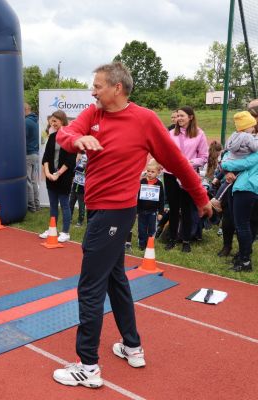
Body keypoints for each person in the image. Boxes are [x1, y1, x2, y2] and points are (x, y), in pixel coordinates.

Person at [52, 62, 211, 389]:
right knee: (115, 279)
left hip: (116, 213)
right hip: (99, 211)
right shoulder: (93, 115)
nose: (92, 91)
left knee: (90, 287)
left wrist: (200, 197)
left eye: (97, 86)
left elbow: (177, 162)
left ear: (117, 88)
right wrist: (77, 141)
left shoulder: (145, 120)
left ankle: (88, 366)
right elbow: (65, 133)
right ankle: (132, 345)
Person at [163, 106, 208, 252]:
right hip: (171, 174)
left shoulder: (199, 134)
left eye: (182, 116)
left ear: (191, 117)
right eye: (177, 116)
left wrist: (190, 162)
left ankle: (186, 240)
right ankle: (171, 239)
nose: (179, 118)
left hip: (189, 175)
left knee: (187, 208)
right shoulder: (170, 134)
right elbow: (165, 153)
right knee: (174, 208)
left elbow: (204, 157)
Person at [39, 110, 76, 241]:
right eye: (51, 121)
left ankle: (65, 232)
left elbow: (70, 159)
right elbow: (46, 158)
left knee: (64, 204)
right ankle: (52, 229)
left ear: (62, 121)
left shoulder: (69, 136)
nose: (52, 123)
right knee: (53, 205)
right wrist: (48, 173)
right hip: (51, 177)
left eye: (55, 121)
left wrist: (58, 174)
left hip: (64, 177)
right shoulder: (52, 137)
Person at [210, 111, 258, 212]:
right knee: (230, 181)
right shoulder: (249, 136)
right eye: (252, 126)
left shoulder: (234, 135)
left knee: (228, 181)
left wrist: (226, 167)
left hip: (231, 159)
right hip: (240, 166)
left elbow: (226, 150)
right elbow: (254, 150)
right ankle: (218, 199)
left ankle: (217, 198)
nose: (253, 128)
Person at [222, 150, 258, 272]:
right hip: (246, 187)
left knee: (242, 226)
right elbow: (229, 153)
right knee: (246, 225)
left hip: (247, 188)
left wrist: (225, 164)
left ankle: (245, 261)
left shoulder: (254, 148)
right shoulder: (250, 145)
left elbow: (242, 163)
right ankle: (243, 256)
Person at [137, 159, 165, 250]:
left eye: (152, 172)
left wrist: (161, 212)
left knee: (152, 229)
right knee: (141, 229)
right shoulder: (142, 182)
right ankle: (142, 244)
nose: (149, 173)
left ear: (158, 172)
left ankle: (149, 244)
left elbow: (161, 199)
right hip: (141, 211)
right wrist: (137, 210)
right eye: (148, 171)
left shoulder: (159, 184)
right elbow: (138, 197)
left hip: (153, 212)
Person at [25, 103, 40, 212]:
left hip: (28, 154)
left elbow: (22, 139)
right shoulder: (35, 121)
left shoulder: (26, 122)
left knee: (28, 181)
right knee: (33, 181)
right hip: (35, 154)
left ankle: (31, 207)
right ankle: (37, 205)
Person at [69, 152, 87, 227]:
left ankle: (80, 221)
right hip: (75, 183)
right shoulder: (78, 156)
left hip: (82, 186)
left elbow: (82, 169)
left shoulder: (87, 156)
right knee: (71, 202)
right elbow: (73, 169)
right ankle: (69, 219)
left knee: (81, 205)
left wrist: (77, 165)